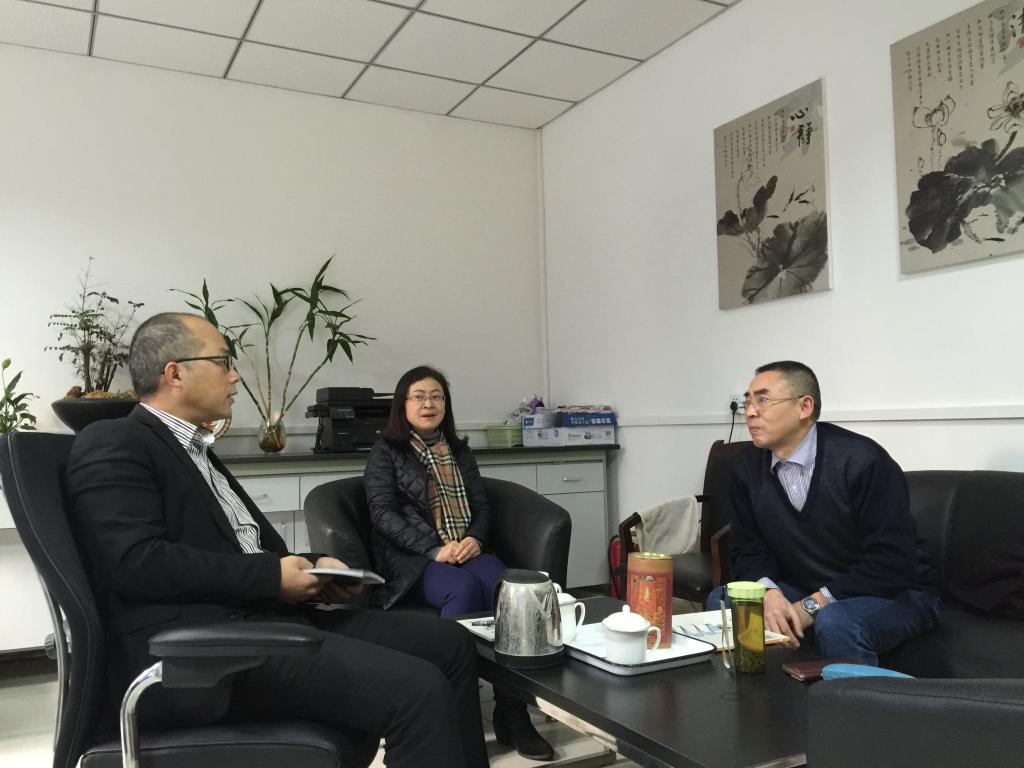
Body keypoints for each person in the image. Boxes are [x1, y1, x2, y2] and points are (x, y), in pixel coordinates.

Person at [65, 313, 489, 768]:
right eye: (223, 362)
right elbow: (135, 562)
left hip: (266, 618)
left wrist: (314, 568)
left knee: (450, 642)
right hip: (207, 654)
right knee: (418, 689)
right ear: (174, 373)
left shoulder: (196, 451)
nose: (235, 375)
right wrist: (273, 577)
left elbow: (238, 552)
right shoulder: (114, 441)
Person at [364, 365, 554, 762]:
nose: (428, 404)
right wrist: (433, 550)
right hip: (412, 558)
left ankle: (512, 710)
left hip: (464, 548)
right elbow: (382, 515)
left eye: (436, 396)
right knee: (463, 589)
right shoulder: (386, 452)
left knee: (507, 589)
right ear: (403, 404)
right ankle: (454, 714)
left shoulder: (459, 451)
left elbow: (481, 507)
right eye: (419, 396)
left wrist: (475, 539)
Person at [709, 360, 941, 665]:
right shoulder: (747, 468)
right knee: (727, 600)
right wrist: (768, 593)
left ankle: (857, 697)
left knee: (837, 622)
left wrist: (812, 606)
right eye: (748, 402)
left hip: (897, 591)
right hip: (808, 585)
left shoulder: (862, 461)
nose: (750, 412)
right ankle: (770, 693)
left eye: (763, 400)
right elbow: (747, 548)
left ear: (804, 407)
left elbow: (890, 563)